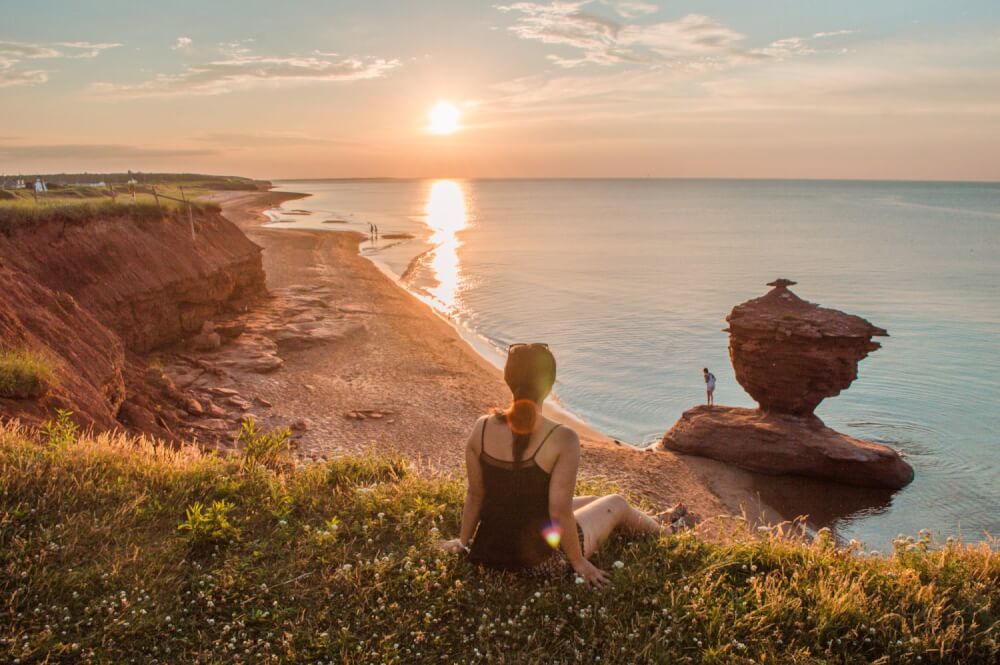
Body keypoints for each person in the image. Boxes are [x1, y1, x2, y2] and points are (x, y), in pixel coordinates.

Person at [438, 342, 694, 587]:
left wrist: (463, 541)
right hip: (541, 561)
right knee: (616, 503)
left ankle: (657, 518)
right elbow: (558, 512)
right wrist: (579, 562)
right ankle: (668, 534)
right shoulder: (562, 438)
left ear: (508, 379)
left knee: (595, 498)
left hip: (489, 552)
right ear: (548, 386)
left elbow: (476, 495)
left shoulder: (481, 427)